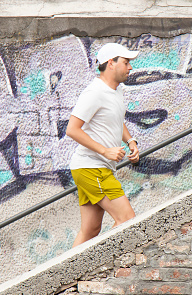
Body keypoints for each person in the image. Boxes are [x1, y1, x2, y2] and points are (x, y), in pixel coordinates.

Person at [66, 43, 140, 247]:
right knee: (127, 220)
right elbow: (72, 129)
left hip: (93, 168)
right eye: (126, 63)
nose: (130, 68)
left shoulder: (115, 92)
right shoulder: (95, 92)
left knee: (90, 230)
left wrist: (130, 140)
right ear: (111, 63)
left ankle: (72, 277)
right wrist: (105, 151)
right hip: (92, 167)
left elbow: (116, 119)